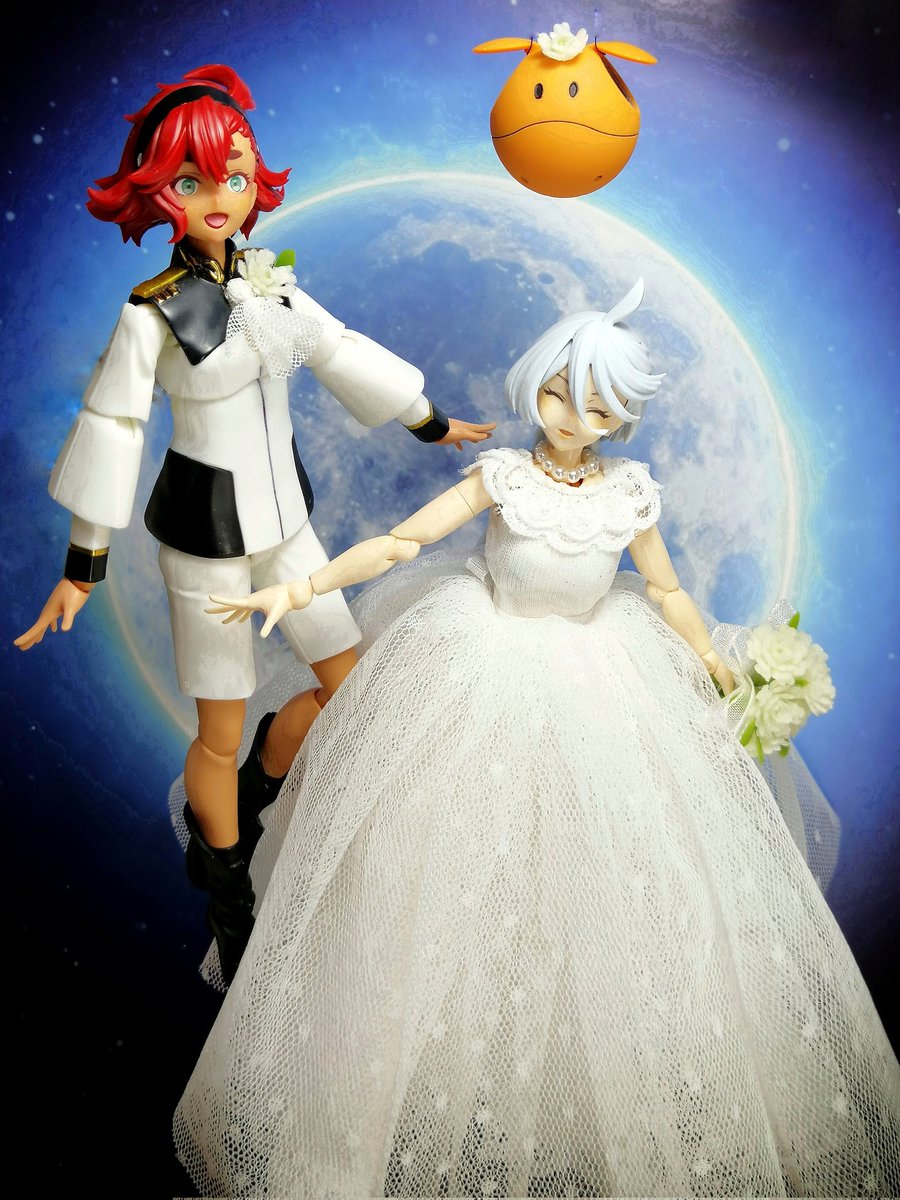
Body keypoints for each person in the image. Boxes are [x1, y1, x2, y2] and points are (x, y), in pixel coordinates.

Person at [174, 280, 899, 1197]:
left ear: (619, 418)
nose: (569, 416)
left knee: (601, 878)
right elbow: (402, 543)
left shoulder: (629, 495)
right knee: (438, 861)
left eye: (594, 406)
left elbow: (667, 591)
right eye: (558, 393)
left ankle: (580, 1084)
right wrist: (302, 588)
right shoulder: (505, 477)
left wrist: (716, 662)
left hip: (601, 680)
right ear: (536, 387)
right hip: (478, 663)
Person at [13, 63, 494, 983]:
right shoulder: (154, 312)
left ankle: (256, 788)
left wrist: (428, 419)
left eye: (234, 176)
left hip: (290, 528)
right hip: (207, 546)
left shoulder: (271, 285)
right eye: (193, 181)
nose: (219, 197)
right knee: (217, 732)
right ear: (162, 193)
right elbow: (113, 427)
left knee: (354, 692)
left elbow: (338, 350)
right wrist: (83, 564)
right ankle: (229, 891)